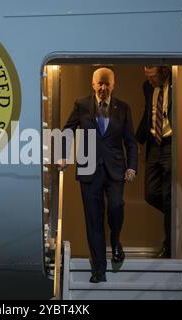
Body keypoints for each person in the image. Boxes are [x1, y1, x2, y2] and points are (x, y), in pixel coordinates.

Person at [58, 68, 138, 283]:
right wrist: (62, 156)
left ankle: (115, 239)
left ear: (113, 85)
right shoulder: (81, 104)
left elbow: (130, 141)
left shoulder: (123, 107)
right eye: (99, 84)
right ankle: (99, 269)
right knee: (93, 220)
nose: (103, 88)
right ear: (93, 85)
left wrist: (132, 167)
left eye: (107, 84)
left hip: (115, 169)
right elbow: (68, 130)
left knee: (115, 206)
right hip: (88, 169)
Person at [136, 66, 172, 258]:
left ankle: (168, 246)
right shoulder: (148, 87)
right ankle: (172, 213)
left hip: (170, 143)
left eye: (153, 77)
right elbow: (147, 114)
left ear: (164, 72)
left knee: (168, 196)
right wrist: (138, 140)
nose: (150, 81)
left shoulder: (175, 85)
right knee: (151, 194)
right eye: (147, 77)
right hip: (153, 143)